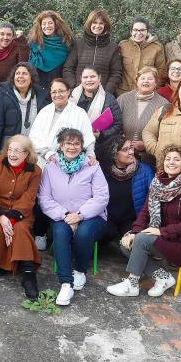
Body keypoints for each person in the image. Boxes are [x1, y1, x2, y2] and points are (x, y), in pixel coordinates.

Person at [106, 145, 181, 298]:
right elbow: (144, 213)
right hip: (159, 238)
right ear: (163, 162)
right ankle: (163, 278)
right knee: (126, 242)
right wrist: (134, 232)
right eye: (168, 159)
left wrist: (161, 231)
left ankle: (132, 284)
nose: (171, 162)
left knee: (142, 239)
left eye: (176, 159)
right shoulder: (158, 184)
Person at [38, 128, 109, 306]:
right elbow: (44, 198)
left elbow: (102, 197)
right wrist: (65, 215)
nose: (72, 147)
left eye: (76, 143)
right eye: (68, 143)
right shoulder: (50, 167)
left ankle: (80, 271)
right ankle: (65, 284)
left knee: (84, 233)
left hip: (92, 216)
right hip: (62, 216)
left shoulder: (92, 166)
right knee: (60, 234)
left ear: (82, 147)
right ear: (61, 146)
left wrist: (80, 215)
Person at [0, 135, 43, 299]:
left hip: (21, 212)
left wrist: (12, 218)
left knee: (21, 229)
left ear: (27, 153)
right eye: (10, 149)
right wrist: (1, 217)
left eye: (17, 151)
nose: (12, 154)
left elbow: (30, 197)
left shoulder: (35, 170)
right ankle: (4, 262)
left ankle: (28, 276)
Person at [0, 62, 49, 158]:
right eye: (17, 73)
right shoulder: (2, 96)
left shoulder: (40, 96)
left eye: (24, 73)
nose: (20, 76)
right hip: (9, 147)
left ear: (31, 77)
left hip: (33, 147)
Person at [29, 78, 96, 166]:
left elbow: (88, 138)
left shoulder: (80, 113)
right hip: (42, 159)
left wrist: (90, 154)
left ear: (68, 92)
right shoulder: (44, 112)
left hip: (71, 163)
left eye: (61, 91)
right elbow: (34, 136)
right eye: (54, 92)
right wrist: (48, 153)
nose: (57, 95)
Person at [102, 137, 154, 244]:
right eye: (125, 150)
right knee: (103, 233)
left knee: (130, 244)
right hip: (107, 218)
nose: (131, 152)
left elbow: (152, 199)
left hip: (132, 220)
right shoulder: (104, 171)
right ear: (115, 154)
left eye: (131, 148)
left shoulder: (144, 170)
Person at [117, 66, 169, 169]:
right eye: (143, 78)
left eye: (150, 79)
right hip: (122, 155)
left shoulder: (164, 104)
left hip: (148, 158)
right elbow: (113, 123)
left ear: (156, 83)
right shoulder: (123, 99)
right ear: (137, 81)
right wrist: (121, 140)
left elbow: (166, 133)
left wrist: (146, 145)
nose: (146, 81)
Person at [70, 66, 123, 164]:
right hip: (70, 145)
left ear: (99, 78)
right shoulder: (71, 96)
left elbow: (118, 124)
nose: (89, 80)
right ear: (80, 79)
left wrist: (101, 134)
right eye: (85, 77)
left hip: (98, 147)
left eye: (92, 77)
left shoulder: (109, 99)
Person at [63, 8, 123, 93]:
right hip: (78, 93)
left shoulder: (113, 47)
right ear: (89, 24)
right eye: (94, 22)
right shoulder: (78, 45)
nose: (97, 26)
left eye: (101, 23)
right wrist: (74, 88)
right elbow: (68, 68)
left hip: (101, 94)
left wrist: (107, 92)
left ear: (105, 25)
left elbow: (116, 73)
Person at [117, 18, 166, 96]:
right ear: (131, 31)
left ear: (147, 31)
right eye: (135, 30)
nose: (138, 33)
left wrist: (154, 89)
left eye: (142, 30)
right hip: (123, 93)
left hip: (147, 93)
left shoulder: (157, 47)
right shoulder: (123, 45)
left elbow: (161, 70)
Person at [0, 21, 30, 95]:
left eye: (9, 35)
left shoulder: (18, 49)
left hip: (6, 95)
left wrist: (21, 39)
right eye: (2, 34)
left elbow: (23, 64)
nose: (5, 37)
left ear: (13, 36)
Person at [28, 10, 75, 89]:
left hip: (59, 89)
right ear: (40, 26)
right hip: (38, 89)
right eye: (44, 23)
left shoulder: (67, 43)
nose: (47, 26)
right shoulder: (34, 44)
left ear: (56, 24)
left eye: (50, 23)